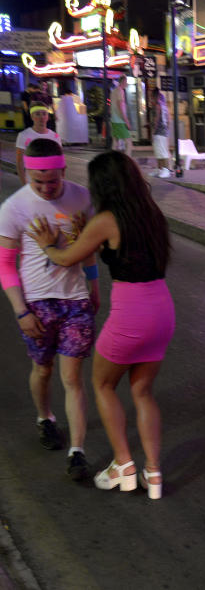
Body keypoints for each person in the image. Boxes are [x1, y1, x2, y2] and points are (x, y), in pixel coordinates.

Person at [28, 152, 174, 499]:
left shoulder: (108, 218)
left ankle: (123, 464)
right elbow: (110, 249)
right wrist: (87, 235)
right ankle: (153, 474)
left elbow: (66, 258)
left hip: (130, 315)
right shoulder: (150, 212)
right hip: (162, 311)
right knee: (142, 392)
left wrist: (48, 244)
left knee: (103, 385)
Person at [0, 139, 98, 481]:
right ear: (26, 171)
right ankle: (45, 418)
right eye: (36, 180)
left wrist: (94, 285)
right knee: (42, 371)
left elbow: (88, 250)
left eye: (52, 181)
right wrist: (20, 311)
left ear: (63, 170)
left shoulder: (81, 197)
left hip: (75, 301)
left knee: (72, 378)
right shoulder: (14, 208)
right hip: (37, 304)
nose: (44, 188)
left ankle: (77, 451)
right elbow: (5, 265)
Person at [16, 103, 62, 185]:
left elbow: (60, 161)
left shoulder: (55, 137)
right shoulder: (24, 135)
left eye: (44, 114)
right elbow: (20, 162)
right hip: (32, 183)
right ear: (32, 117)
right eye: (37, 114)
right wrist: (24, 183)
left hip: (52, 183)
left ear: (48, 116)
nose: (42, 117)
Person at [151, 89, 172, 179]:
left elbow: (156, 119)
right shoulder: (164, 106)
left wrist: (153, 131)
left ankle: (166, 170)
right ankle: (160, 169)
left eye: (152, 96)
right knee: (159, 151)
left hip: (159, 131)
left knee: (162, 152)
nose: (151, 99)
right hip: (163, 131)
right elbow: (169, 120)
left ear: (155, 96)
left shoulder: (158, 106)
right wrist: (167, 129)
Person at [110, 78, 132, 153]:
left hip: (114, 120)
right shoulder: (120, 91)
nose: (127, 84)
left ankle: (113, 160)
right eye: (126, 82)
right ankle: (127, 162)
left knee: (115, 142)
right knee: (128, 143)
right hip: (120, 121)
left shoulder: (113, 91)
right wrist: (126, 121)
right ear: (123, 82)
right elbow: (120, 107)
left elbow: (111, 107)